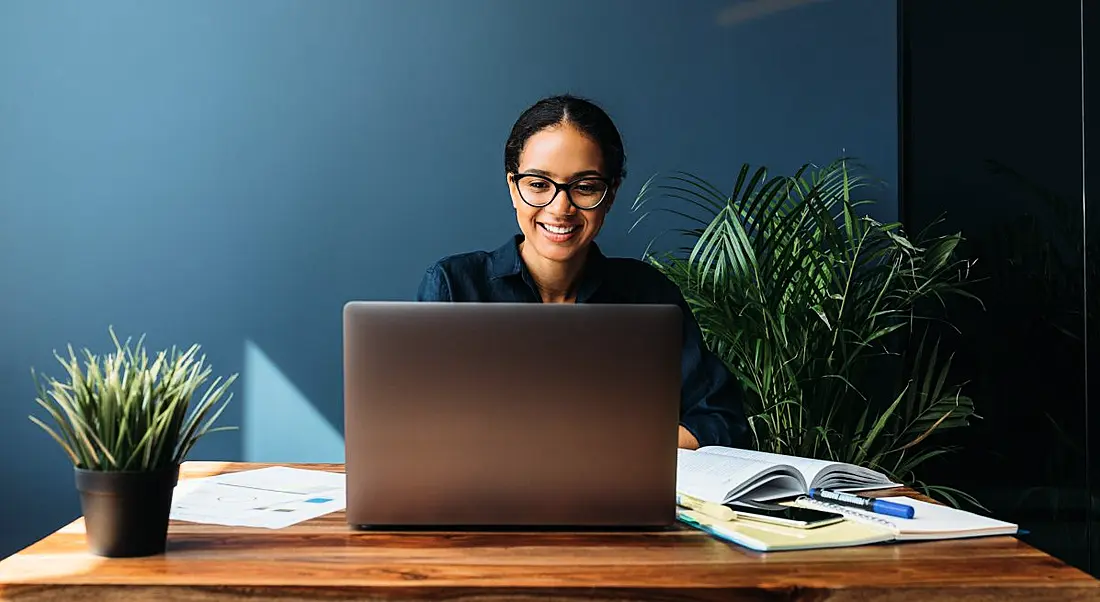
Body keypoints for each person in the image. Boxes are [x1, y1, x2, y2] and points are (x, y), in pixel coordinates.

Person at [416, 94, 749, 450]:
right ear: (513, 187)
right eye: (538, 185)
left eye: (585, 187)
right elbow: (414, 428)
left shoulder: (648, 296)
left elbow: (721, 421)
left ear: (611, 193)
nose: (561, 208)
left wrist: (609, 448)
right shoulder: (455, 286)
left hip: (616, 499)